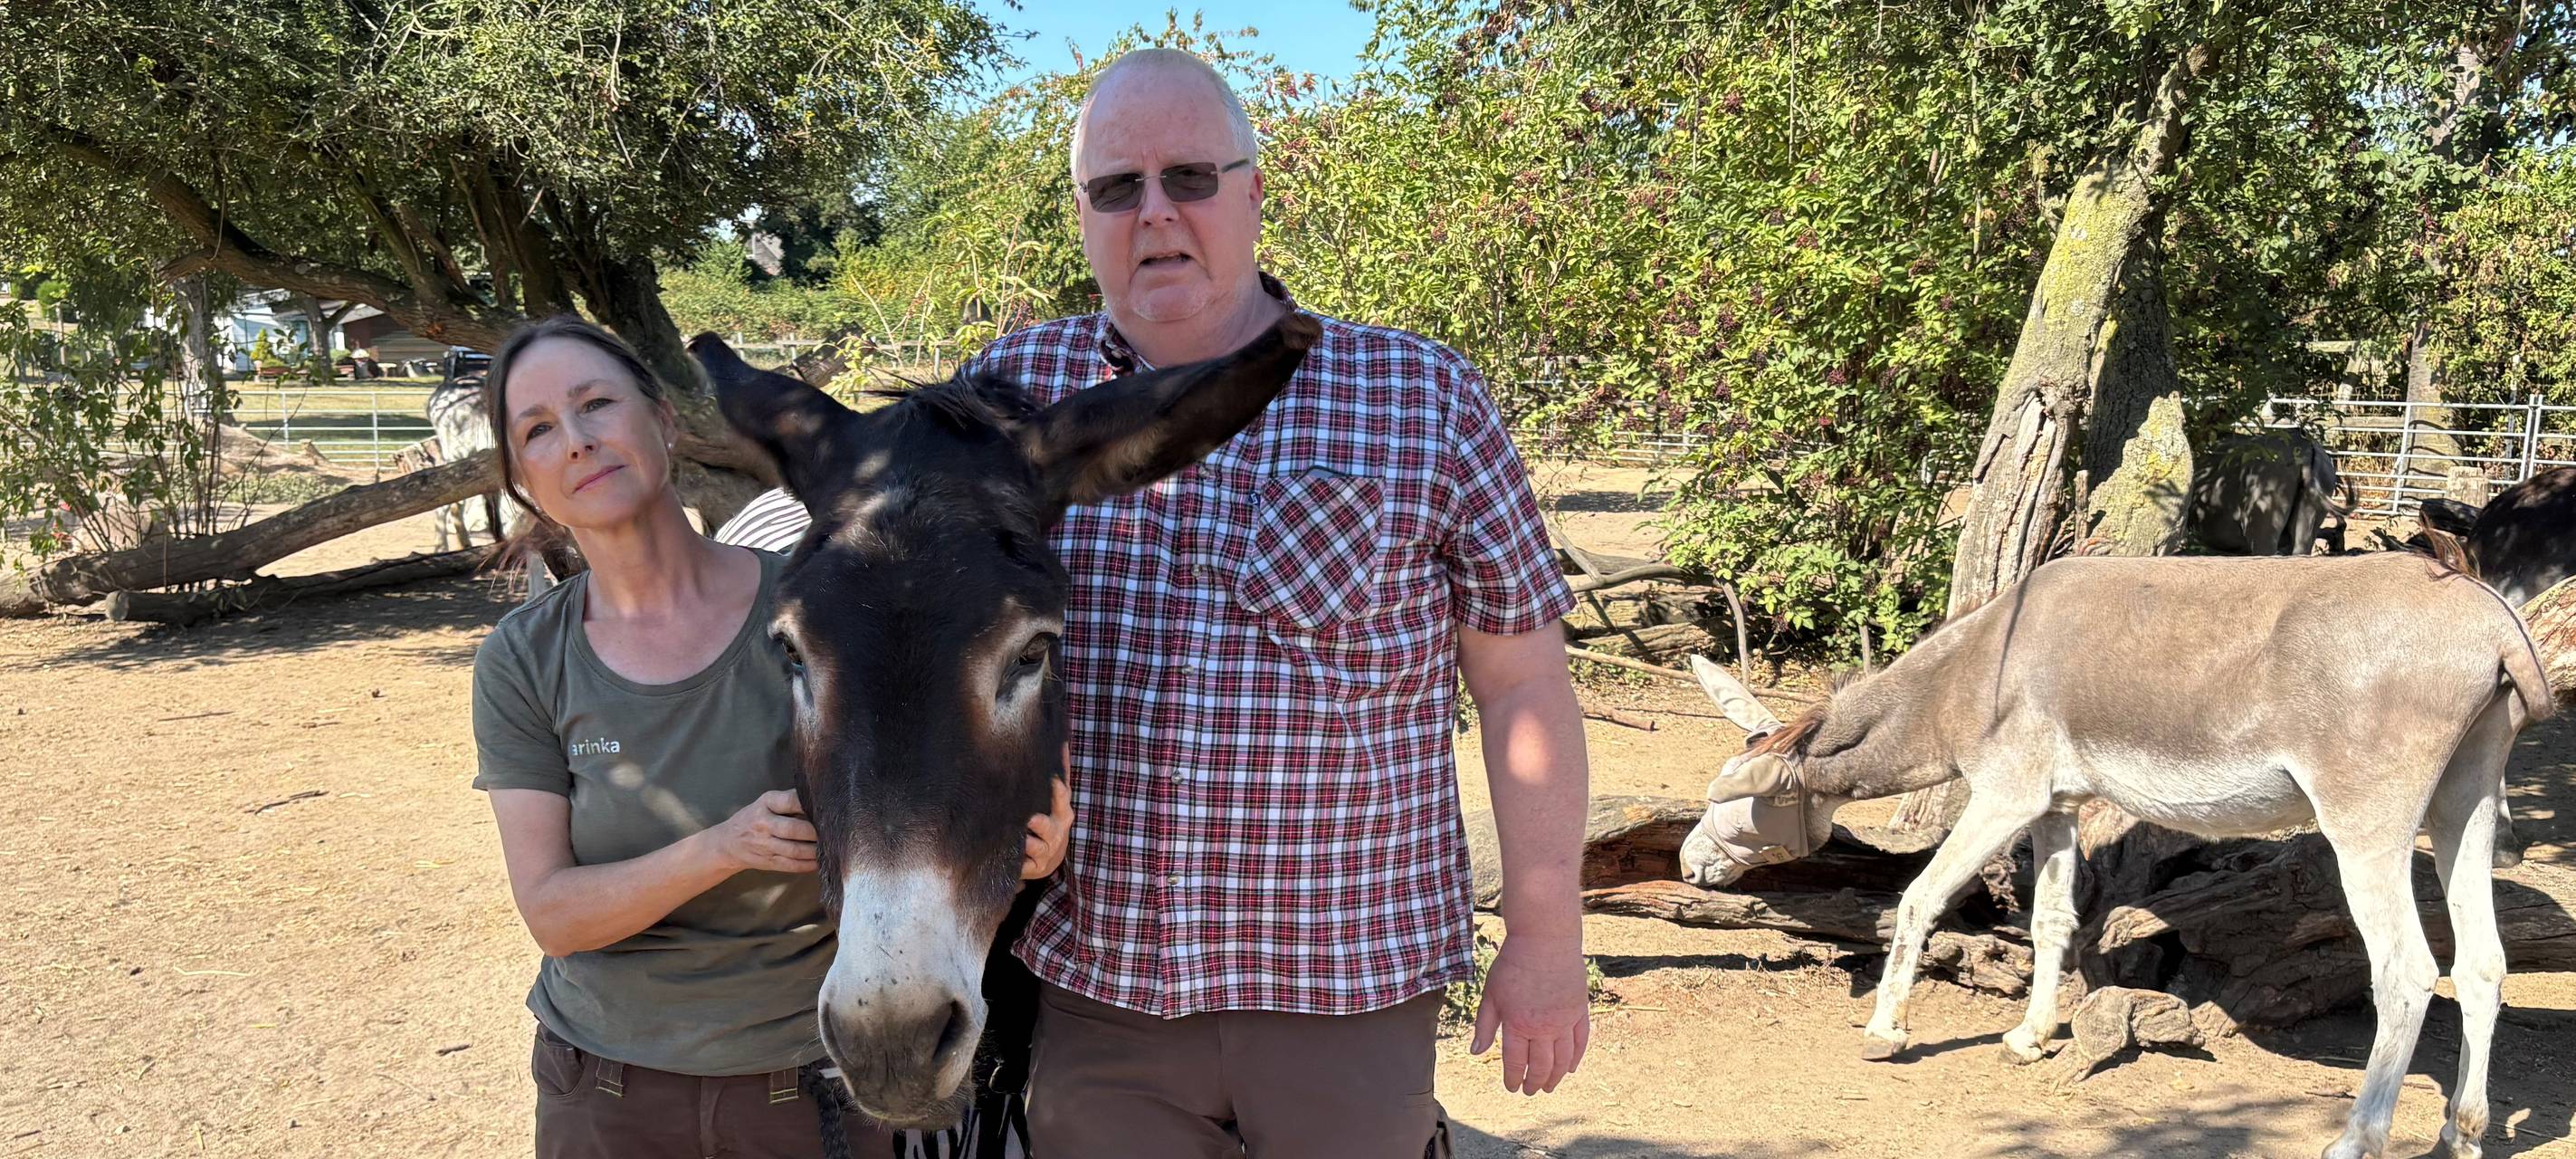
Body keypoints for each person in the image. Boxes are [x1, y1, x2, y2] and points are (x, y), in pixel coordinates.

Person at [724, 47, 1596, 1158]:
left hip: (1342, 982)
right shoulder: (1001, 399)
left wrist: (1545, 936)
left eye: (1189, 177)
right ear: (1082, 214)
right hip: (1100, 992)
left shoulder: (1419, 394)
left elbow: (1521, 684)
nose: (1154, 213)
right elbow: (910, 638)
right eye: (1115, 187)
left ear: (1254, 191)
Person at [467, 316, 1071, 1159]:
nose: (575, 441)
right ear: (522, 479)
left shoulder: (826, 611)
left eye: (595, 404)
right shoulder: (523, 657)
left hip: (806, 1085)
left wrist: (1032, 841)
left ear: (665, 420)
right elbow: (554, 915)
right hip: (603, 1086)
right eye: (537, 429)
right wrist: (723, 847)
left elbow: (948, 764)